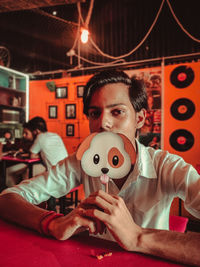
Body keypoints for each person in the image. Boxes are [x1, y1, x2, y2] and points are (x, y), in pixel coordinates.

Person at [0, 70, 200, 266]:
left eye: (117, 111)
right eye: (95, 113)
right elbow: (7, 198)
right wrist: (52, 223)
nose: (103, 123)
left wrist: (138, 237)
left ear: (139, 119)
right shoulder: (81, 162)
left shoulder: (167, 166)